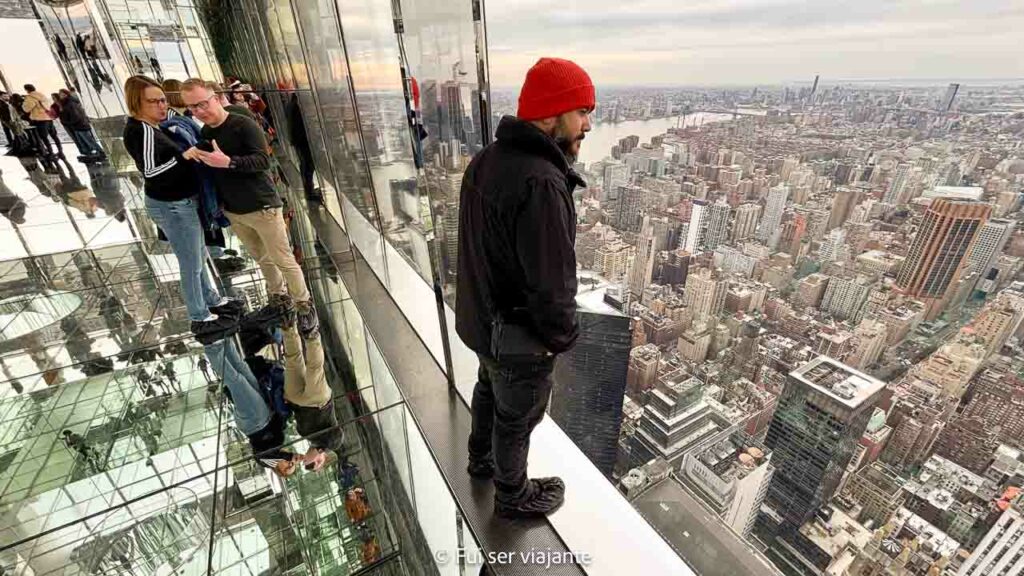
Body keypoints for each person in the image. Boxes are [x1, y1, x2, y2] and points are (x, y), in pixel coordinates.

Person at [457, 57, 592, 519]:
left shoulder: (486, 161)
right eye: (581, 112)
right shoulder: (541, 182)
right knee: (516, 418)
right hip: (517, 338)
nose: (587, 125)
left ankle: (480, 461)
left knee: (488, 390)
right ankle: (512, 496)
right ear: (552, 115)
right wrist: (561, 339)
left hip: (482, 321)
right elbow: (553, 286)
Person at [180, 78, 317, 337]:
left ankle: (304, 305)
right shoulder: (207, 133)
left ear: (216, 97)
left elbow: (262, 160)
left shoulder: (243, 124)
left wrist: (229, 162)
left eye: (203, 103)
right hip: (234, 210)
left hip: (262, 206)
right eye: (192, 108)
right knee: (261, 257)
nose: (199, 111)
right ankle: (280, 299)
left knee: (283, 259)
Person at [121, 75, 239, 339]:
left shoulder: (155, 125)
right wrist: (183, 158)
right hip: (171, 205)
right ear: (136, 103)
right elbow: (151, 172)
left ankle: (211, 300)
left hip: (180, 203)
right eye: (154, 102)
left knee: (198, 255)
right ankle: (199, 315)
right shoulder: (141, 131)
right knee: (191, 262)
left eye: (163, 100)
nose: (162, 106)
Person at [280, 319, 343, 471]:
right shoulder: (331, 444)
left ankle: (288, 324)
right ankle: (311, 334)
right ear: (319, 461)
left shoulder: (307, 437)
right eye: (310, 464)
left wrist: (290, 403)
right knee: (314, 368)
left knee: (293, 360)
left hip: (297, 400)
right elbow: (336, 434)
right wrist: (320, 451)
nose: (304, 461)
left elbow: (300, 416)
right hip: (318, 402)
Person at [58, 89, 105, 160]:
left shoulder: (70, 103)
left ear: (66, 94)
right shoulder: (68, 102)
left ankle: (101, 153)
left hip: (80, 125)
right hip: (78, 126)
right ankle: (92, 154)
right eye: (60, 94)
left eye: (61, 94)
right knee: (84, 141)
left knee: (89, 140)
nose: (60, 96)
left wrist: (68, 122)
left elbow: (76, 116)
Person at [21, 85, 63, 157]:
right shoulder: (42, 95)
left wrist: (24, 102)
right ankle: (60, 151)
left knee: (44, 137)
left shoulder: (30, 97)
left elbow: (26, 109)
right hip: (48, 118)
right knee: (54, 136)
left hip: (40, 119)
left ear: (27, 90)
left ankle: (50, 152)